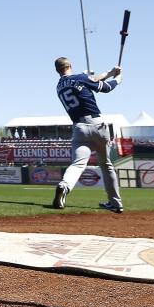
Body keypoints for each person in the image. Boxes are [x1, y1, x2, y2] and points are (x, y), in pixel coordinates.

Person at [51, 57, 124, 213]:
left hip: (79, 128)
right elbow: (105, 88)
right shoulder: (81, 78)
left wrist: (109, 72)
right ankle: (116, 203)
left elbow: (90, 79)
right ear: (70, 65)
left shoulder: (58, 87)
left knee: (77, 164)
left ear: (57, 70)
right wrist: (117, 79)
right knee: (106, 165)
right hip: (98, 125)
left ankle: (64, 186)